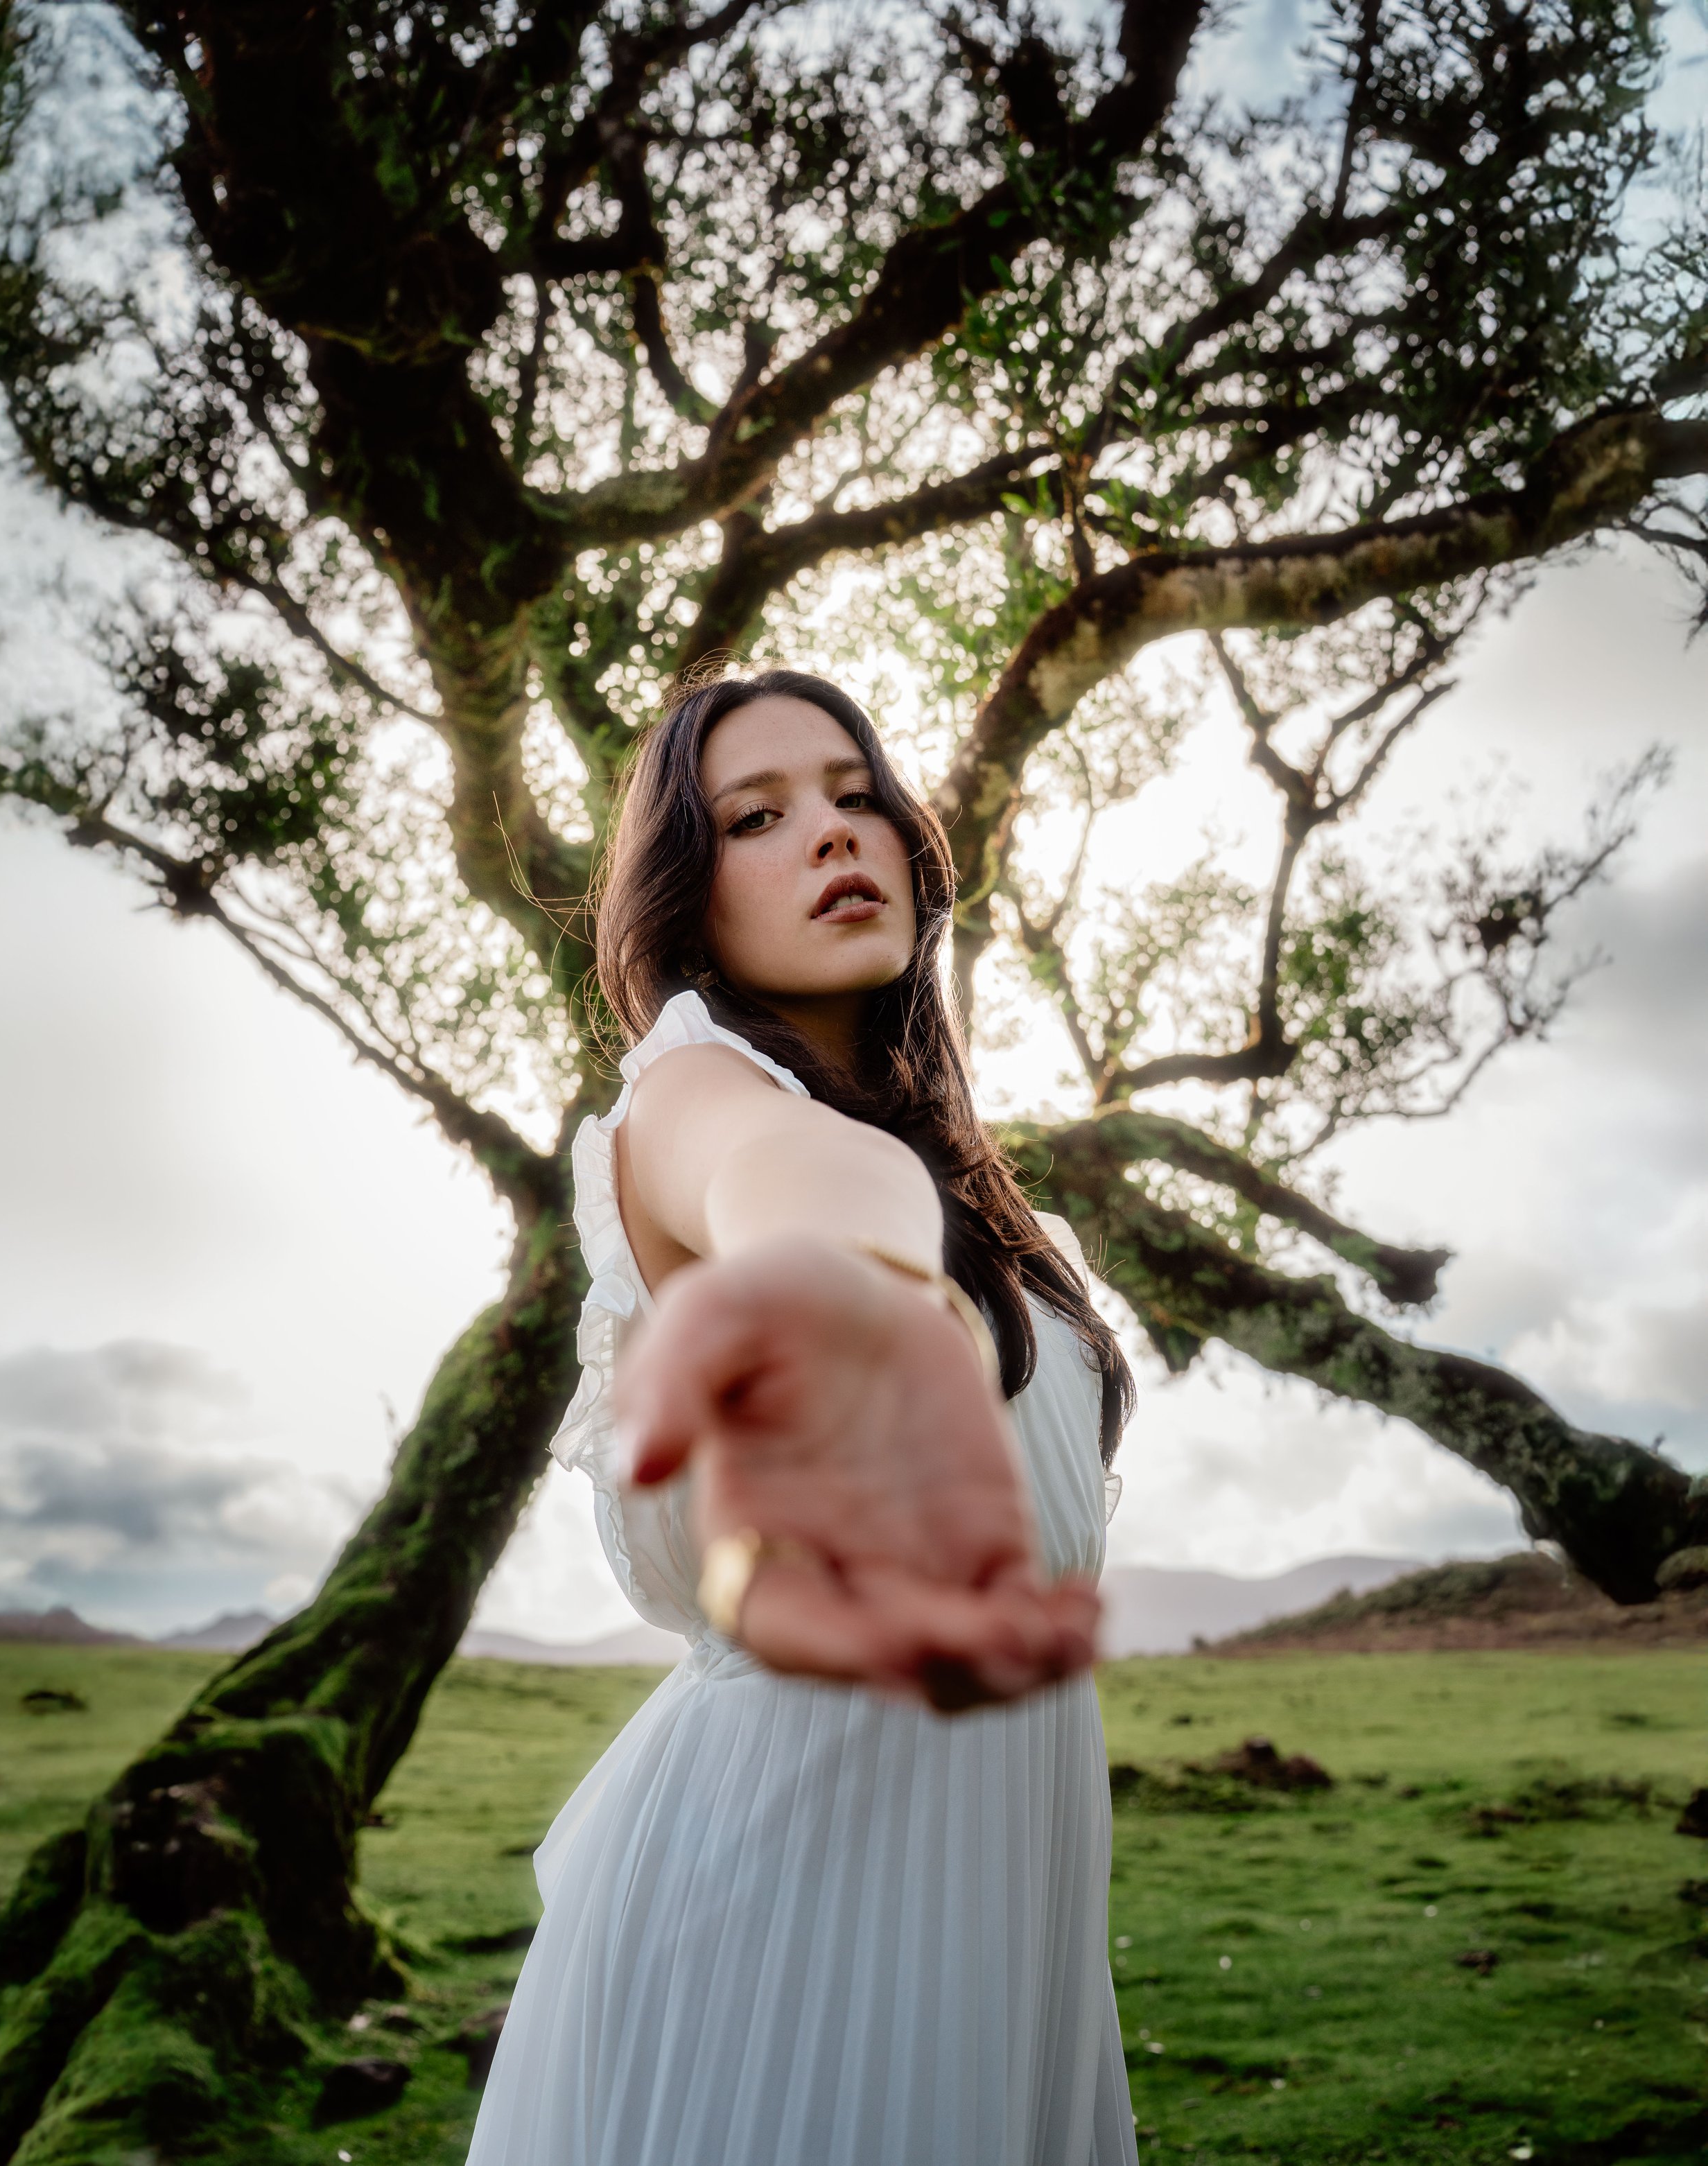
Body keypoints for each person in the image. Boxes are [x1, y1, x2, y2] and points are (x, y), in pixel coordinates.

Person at [464, 670, 1138, 2166]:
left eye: (853, 795)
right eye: (758, 817)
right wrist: (876, 1298)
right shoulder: (686, 1096)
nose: (830, 834)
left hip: (997, 1876)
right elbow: (792, 1185)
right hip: (783, 1893)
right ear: (691, 902)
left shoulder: (979, 1188)